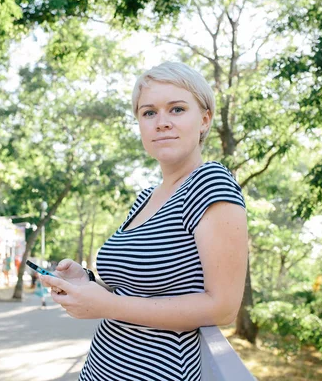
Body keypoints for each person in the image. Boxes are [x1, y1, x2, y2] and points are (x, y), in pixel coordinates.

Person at [39, 62, 248, 380]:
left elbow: (223, 308)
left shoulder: (210, 182)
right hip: (101, 368)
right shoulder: (146, 197)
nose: (161, 122)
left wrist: (106, 305)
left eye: (177, 109)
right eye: (149, 113)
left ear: (204, 119)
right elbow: (139, 287)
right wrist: (88, 282)